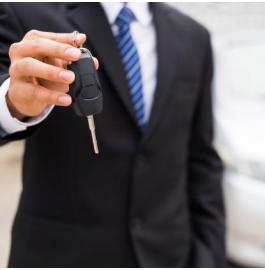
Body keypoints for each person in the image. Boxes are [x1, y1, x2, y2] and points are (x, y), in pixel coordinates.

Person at [0, 2, 225, 267]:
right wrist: (13, 103)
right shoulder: (24, 13)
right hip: (64, 256)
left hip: (169, 255)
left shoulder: (193, 36)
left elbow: (201, 159)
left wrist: (210, 257)